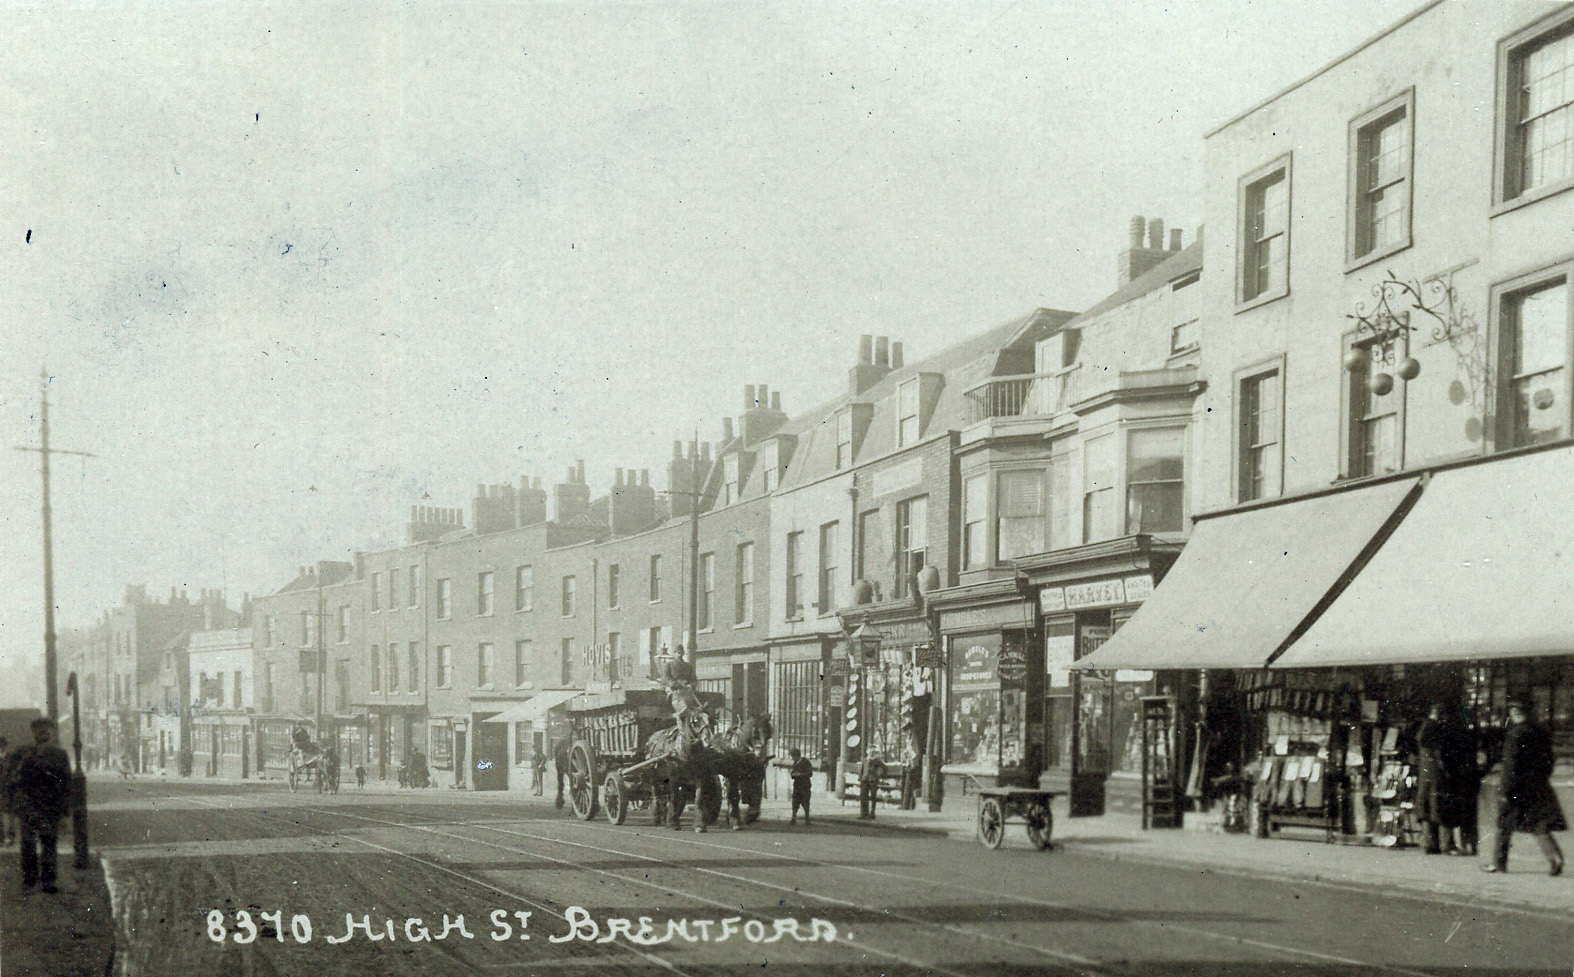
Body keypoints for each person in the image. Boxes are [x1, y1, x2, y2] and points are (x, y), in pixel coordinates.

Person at [1484, 700, 1565, 875]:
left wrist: (1505, 790)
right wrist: (1542, 777)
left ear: (1514, 714)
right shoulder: (1541, 732)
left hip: (1517, 787)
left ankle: (1499, 863)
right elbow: (1550, 759)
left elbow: (1510, 766)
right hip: (1537, 785)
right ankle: (1554, 856)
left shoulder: (1516, 734)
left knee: (1504, 823)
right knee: (1539, 824)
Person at [7, 718, 72, 893]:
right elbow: (11, 778)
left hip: (50, 805)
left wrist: (65, 812)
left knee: (49, 842)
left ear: (51, 732)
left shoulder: (60, 755)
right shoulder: (23, 753)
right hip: (29, 804)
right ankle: (29, 880)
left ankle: (49, 881)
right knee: (28, 843)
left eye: (47, 729)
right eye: (39, 730)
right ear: (33, 732)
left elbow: (66, 783)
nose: (43, 732)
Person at [1415, 704, 1451, 854]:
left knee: (1426, 807)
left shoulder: (1424, 728)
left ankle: (1428, 844)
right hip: (1435, 773)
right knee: (1438, 806)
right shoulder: (1435, 728)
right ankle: (1443, 845)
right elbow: (1438, 752)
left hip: (1425, 773)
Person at [775, 747, 814, 825]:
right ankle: (793, 818)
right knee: (795, 802)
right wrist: (793, 774)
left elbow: (810, 773)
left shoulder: (805, 762)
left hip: (805, 786)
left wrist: (801, 774)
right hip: (797, 785)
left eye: (793, 756)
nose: (792, 758)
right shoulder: (795, 763)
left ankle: (807, 818)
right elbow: (792, 773)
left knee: (805, 802)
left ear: (797, 756)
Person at [858, 749, 885, 820]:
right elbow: (862, 769)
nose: (871, 754)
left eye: (872, 753)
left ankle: (872, 813)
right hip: (864, 780)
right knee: (863, 796)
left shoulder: (876, 761)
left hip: (873, 780)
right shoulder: (865, 760)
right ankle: (863, 814)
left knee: (873, 797)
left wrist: (880, 775)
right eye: (870, 753)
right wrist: (860, 778)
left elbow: (884, 768)